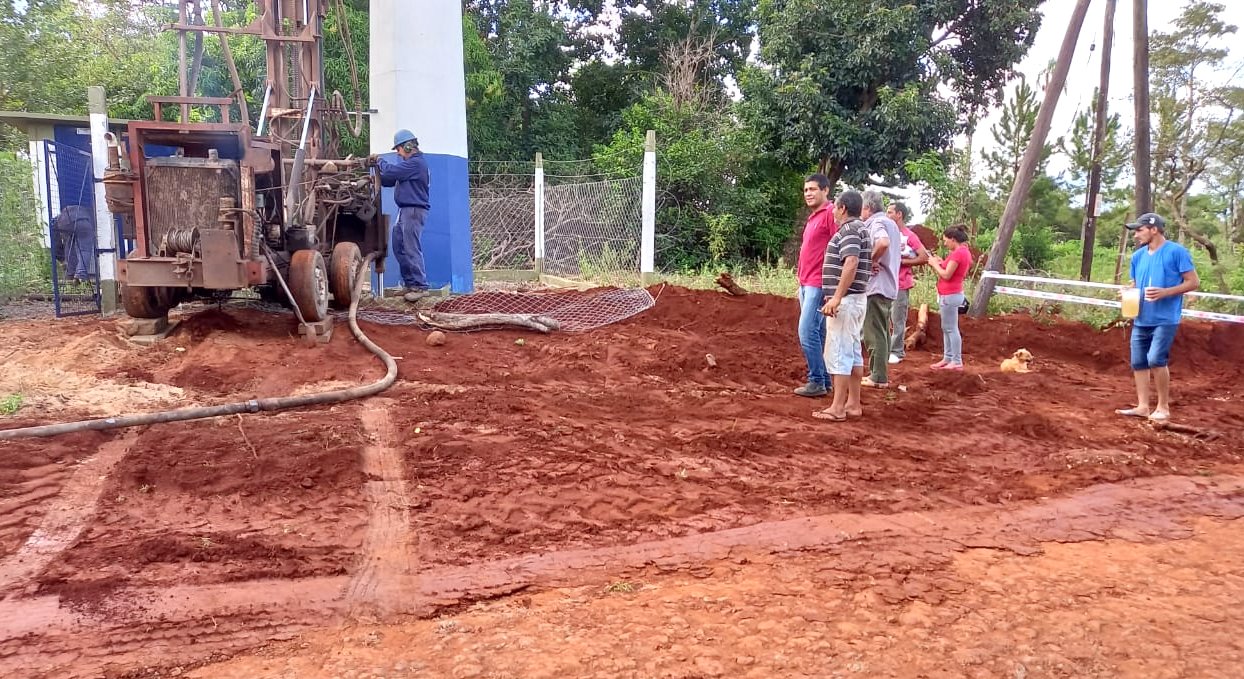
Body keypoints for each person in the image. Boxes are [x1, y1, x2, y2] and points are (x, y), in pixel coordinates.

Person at [1115, 212, 1199, 423]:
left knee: (1156, 359)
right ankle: (1143, 406)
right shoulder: (1138, 257)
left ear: (1154, 229)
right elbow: (1136, 283)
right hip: (1141, 316)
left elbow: (1193, 282)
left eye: (1140, 230)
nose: (1136, 235)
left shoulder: (1177, 252)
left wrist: (1165, 292)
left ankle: (1163, 407)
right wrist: (1128, 291)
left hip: (1165, 318)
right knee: (1138, 362)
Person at [813, 190, 872, 422]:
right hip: (856, 300)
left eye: (836, 207)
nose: (834, 212)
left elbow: (851, 261)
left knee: (839, 353)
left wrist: (836, 297)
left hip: (846, 301)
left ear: (843, 208)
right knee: (853, 352)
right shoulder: (862, 229)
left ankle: (837, 407)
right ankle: (853, 403)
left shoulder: (849, 230)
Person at [793, 174, 838, 398]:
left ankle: (816, 380)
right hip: (805, 281)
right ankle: (825, 380)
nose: (808, 193)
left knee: (806, 331)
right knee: (818, 332)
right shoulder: (813, 217)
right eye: (805, 190)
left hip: (818, 283)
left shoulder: (830, 213)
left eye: (813, 189)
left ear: (825, 190)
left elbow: (840, 246)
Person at [375, 129, 431, 302]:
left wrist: (379, 161)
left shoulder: (416, 164)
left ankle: (420, 286)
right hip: (405, 210)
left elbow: (391, 172)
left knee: (411, 247)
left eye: (398, 149)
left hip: (413, 210)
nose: (398, 154)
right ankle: (410, 283)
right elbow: (389, 179)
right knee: (399, 246)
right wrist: (377, 174)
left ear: (407, 146)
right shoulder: (409, 167)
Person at [859, 191, 901, 388]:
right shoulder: (891, 223)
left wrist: (870, 260)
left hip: (876, 285)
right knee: (882, 331)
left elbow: (882, 242)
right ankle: (880, 374)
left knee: (873, 332)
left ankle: (877, 376)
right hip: (888, 285)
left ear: (868, 208)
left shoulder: (876, 223)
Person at [885, 202, 928, 364]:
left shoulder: (909, 236)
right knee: (883, 317)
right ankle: (885, 348)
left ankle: (897, 351)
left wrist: (902, 262)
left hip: (901, 283)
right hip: (885, 282)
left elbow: (924, 257)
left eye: (890, 212)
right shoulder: (886, 233)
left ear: (899, 215)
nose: (887, 215)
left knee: (898, 318)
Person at [926, 225, 972, 370]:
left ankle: (956, 360)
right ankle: (948, 358)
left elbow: (946, 274)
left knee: (951, 328)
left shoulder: (958, 254)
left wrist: (934, 264)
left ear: (953, 239)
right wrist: (941, 262)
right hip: (950, 294)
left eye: (946, 240)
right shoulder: (962, 252)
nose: (944, 243)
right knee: (947, 328)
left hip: (950, 294)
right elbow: (950, 269)